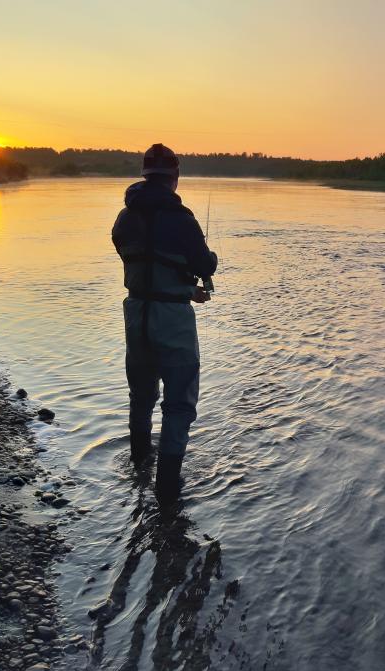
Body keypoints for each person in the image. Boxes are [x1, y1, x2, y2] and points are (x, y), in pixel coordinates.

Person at [111, 143, 217, 502]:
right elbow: (205, 265)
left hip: (136, 315)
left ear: (145, 174)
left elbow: (147, 264)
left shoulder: (124, 219)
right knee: (179, 404)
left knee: (141, 394)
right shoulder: (182, 218)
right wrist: (202, 270)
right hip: (172, 320)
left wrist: (184, 288)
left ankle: (139, 464)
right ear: (174, 177)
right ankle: (167, 490)